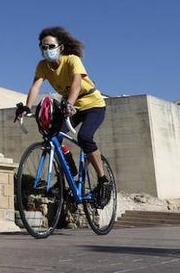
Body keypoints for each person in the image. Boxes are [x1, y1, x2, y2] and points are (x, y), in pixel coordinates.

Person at [17, 26, 112, 206]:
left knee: (85, 138)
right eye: (43, 47)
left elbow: (76, 84)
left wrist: (69, 103)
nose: (47, 50)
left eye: (51, 46)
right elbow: (35, 86)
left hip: (92, 104)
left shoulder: (72, 60)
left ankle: (103, 181)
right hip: (70, 106)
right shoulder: (42, 66)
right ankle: (68, 178)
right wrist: (27, 107)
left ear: (60, 47)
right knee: (54, 139)